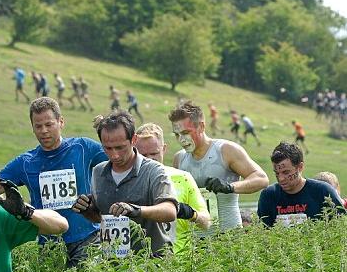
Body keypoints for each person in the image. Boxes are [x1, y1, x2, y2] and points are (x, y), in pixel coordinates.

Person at [0, 97, 107, 268]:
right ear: (32, 128)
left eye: (49, 125)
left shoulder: (83, 147)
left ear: (61, 122)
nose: (44, 131)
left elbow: (119, 159)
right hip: (50, 244)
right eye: (38, 126)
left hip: (87, 239)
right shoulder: (26, 162)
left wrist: (109, 129)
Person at [72, 111, 177, 257]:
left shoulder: (154, 170)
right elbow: (101, 218)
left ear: (133, 140)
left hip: (152, 262)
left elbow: (170, 211)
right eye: (107, 148)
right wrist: (87, 209)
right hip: (114, 264)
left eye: (120, 147)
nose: (114, 155)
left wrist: (137, 210)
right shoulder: (98, 172)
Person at [169, 101, 269, 234]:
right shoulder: (179, 159)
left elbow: (262, 179)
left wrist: (230, 187)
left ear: (201, 126)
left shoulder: (226, 150)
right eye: (177, 134)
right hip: (194, 243)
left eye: (186, 132)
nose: (181, 139)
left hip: (228, 237)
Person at [134, 123, 211, 255]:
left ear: (164, 149)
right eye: (143, 155)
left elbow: (206, 223)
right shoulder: (127, 181)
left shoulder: (183, 178)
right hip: (141, 264)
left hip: (179, 263)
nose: (150, 159)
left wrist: (189, 213)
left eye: (154, 153)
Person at [257, 142, 344, 227]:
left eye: (286, 172)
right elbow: (264, 233)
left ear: (300, 167)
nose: (281, 178)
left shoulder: (323, 192)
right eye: (277, 173)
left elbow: (342, 226)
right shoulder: (268, 195)